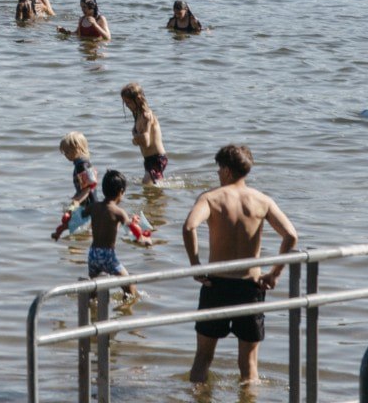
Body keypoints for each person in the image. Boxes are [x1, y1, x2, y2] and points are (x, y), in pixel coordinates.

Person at [183, 143, 300, 385]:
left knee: (203, 358)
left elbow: (189, 226)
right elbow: (291, 235)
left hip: (216, 285)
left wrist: (196, 264)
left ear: (226, 170)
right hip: (250, 287)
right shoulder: (262, 200)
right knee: (248, 365)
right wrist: (274, 274)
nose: (217, 174)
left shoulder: (211, 198)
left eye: (218, 169)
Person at [88, 169, 154, 285]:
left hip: (93, 255)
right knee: (129, 286)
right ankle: (127, 302)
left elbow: (79, 217)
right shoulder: (119, 212)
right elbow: (134, 234)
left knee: (94, 288)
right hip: (107, 256)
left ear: (103, 190)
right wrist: (145, 240)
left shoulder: (94, 207)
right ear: (121, 191)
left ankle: (90, 300)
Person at [50, 132, 102, 241]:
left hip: (88, 205)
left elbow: (88, 188)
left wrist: (77, 200)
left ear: (77, 148)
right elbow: (83, 187)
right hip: (91, 203)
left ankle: (76, 249)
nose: (65, 155)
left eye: (67, 152)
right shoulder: (83, 164)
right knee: (80, 225)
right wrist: (76, 196)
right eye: (64, 152)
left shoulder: (82, 166)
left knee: (77, 228)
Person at [123, 82, 167, 183]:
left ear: (138, 100)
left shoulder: (146, 115)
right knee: (152, 186)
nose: (126, 105)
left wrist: (135, 139)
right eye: (124, 102)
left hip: (157, 158)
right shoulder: (137, 115)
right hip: (149, 159)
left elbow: (146, 141)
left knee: (147, 183)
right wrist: (136, 138)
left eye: (128, 102)